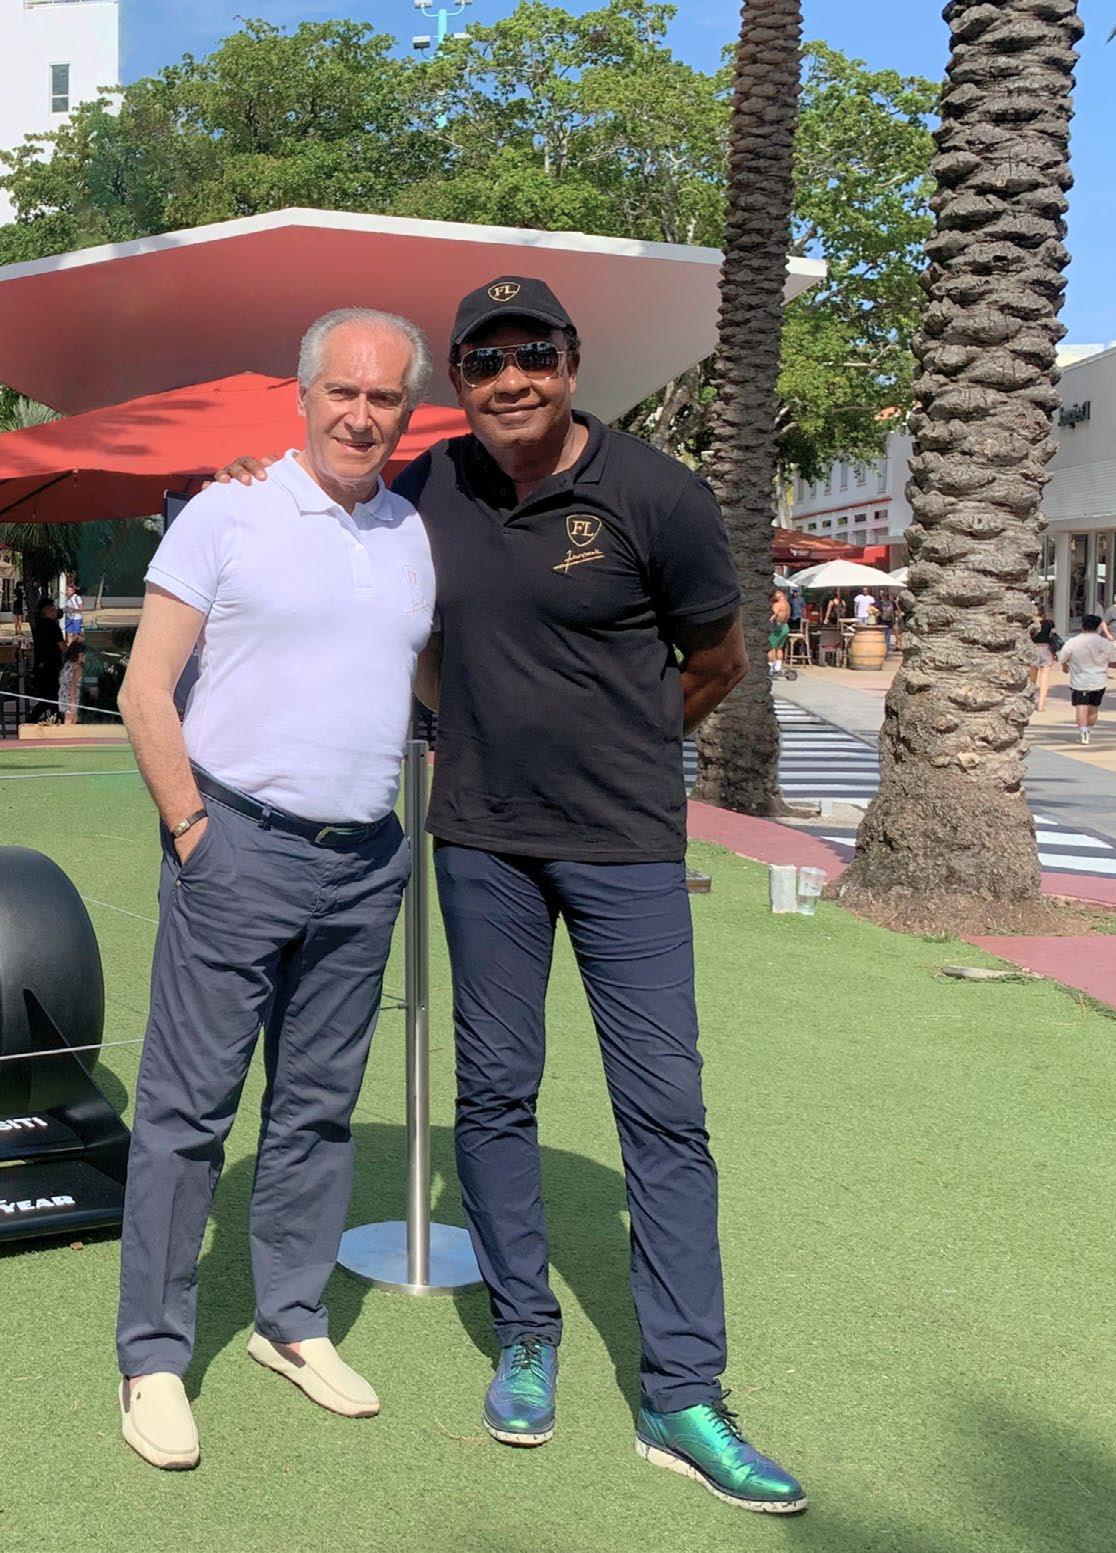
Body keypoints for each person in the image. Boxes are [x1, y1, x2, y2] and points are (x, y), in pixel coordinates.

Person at [219, 275, 806, 1514]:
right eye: (483, 362)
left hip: (624, 848)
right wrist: (242, 482)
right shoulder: (431, 485)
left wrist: (625, 748)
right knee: (493, 1092)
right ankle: (525, 1333)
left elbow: (716, 658)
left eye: (531, 353)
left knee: (665, 1109)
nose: (509, 379)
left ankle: (683, 1390)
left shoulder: (658, 495)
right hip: (482, 843)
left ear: (570, 361)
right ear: (462, 381)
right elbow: (332, 522)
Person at [115, 308, 436, 1472]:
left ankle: (289, 1318)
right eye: (342, 390)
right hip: (235, 844)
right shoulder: (227, 510)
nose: (360, 413)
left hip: (365, 860)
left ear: (406, 411)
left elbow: (422, 670)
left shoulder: (412, 530)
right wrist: (192, 830)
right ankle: (153, 1354)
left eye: (384, 397)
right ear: (304, 395)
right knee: (187, 1112)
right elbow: (144, 687)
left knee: (315, 1107)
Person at [1058, 614, 1116, 745]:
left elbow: (1063, 657)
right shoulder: (1105, 642)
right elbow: (1113, 658)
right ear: (1098, 627)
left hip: (1080, 680)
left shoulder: (1073, 641)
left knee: (1081, 706)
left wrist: (1065, 666)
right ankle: (1089, 730)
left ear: (1082, 625)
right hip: (1099, 679)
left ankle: (1083, 732)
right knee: (1094, 707)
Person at [30, 598, 64, 721]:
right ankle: (31, 721)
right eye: (54, 609)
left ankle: (57, 720)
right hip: (52, 667)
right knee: (50, 699)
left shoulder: (39, 626)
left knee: (51, 699)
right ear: (49, 610)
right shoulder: (53, 626)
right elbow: (62, 646)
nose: (56, 612)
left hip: (41, 666)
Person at [1028, 604, 1058, 713]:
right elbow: (1054, 637)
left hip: (1033, 649)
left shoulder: (1030, 623)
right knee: (1044, 678)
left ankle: (1030, 701)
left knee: (1032, 679)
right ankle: (1041, 705)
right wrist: (1054, 652)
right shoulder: (1049, 623)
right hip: (1046, 649)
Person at [58, 638, 84, 725]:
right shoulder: (78, 668)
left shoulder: (67, 665)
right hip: (74, 701)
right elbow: (73, 685)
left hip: (64, 700)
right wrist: (73, 704)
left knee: (68, 724)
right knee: (73, 725)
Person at [768, 587, 791, 676]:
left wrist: (769, 620)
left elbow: (775, 613)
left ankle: (770, 668)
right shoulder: (787, 604)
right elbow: (788, 615)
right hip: (785, 627)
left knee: (771, 648)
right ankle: (778, 668)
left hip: (776, 628)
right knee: (779, 648)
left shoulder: (777, 604)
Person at [63, 573, 85, 641]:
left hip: (76, 619)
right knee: (69, 633)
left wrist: (72, 610)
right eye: (67, 590)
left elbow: (81, 609)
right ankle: (69, 645)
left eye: (70, 590)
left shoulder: (77, 598)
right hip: (68, 618)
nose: (68, 592)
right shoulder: (65, 598)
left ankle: (77, 644)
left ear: (73, 591)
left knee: (76, 635)